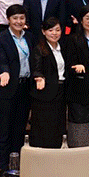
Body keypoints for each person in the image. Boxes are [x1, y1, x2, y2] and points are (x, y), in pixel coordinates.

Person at [0, 4, 33, 177]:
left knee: (19, 130)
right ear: (8, 19)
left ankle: (15, 167)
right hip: (6, 89)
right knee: (4, 130)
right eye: (15, 18)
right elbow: (0, 59)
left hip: (25, 88)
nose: (18, 21)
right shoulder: (0, 38)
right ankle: (3, 168)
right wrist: (5, 71)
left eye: (21, 18)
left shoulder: (29, 37)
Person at [65, 5, 89, 155]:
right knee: (80, 123)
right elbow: (69, 64)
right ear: (81, 21)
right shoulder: (73, 39)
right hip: (80, 89)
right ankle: (79, 155)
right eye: (87, 18)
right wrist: (76, 66)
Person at [29, 17, 67, 149]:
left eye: (57, 30)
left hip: (60, 93)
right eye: (50, 30)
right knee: (44, 130)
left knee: (57, 128)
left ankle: (55, 156)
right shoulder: (39, 49)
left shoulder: (63, 48)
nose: (54, 33)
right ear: (43, 31)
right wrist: (39, 77)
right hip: (44, 95)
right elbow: (36, 69)